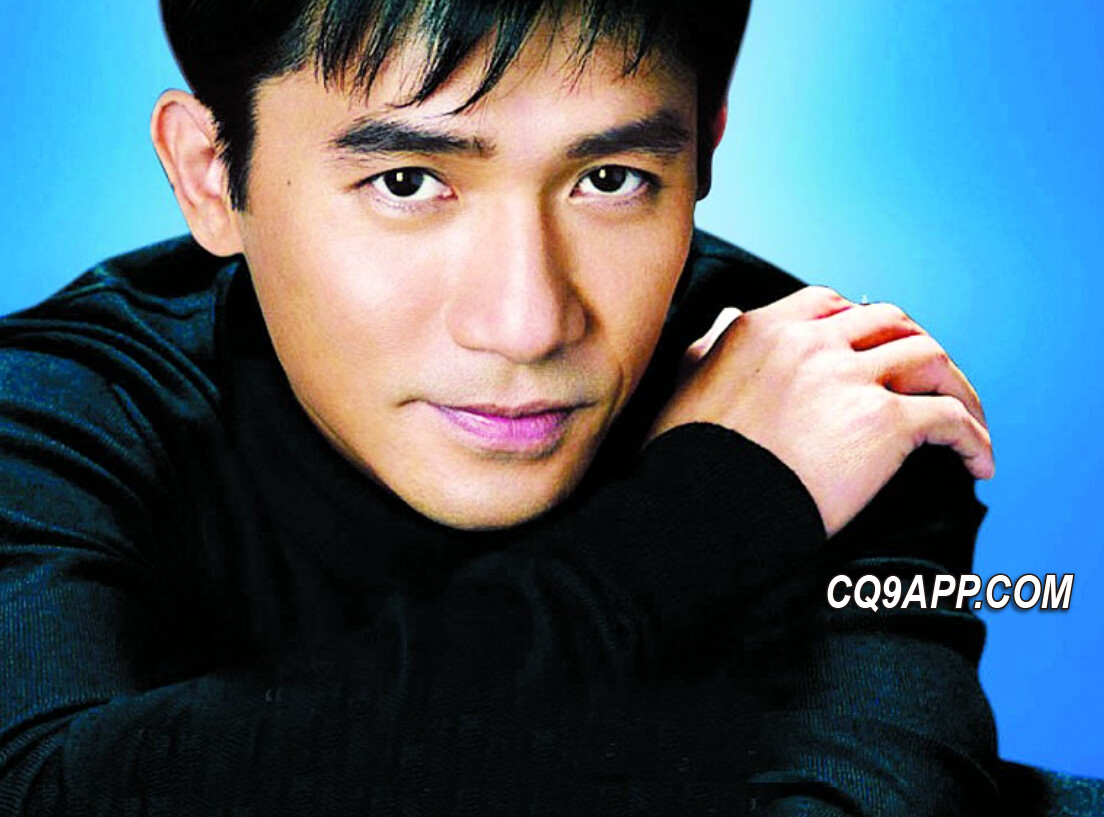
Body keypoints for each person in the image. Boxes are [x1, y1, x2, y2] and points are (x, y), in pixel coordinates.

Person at [0, 0, 997, 813]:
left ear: (703, 154)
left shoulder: (817, 404)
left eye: (610, 179)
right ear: (212, 175)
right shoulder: (64, 409)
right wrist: (710, 511)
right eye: (406, 181)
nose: (527, 323)